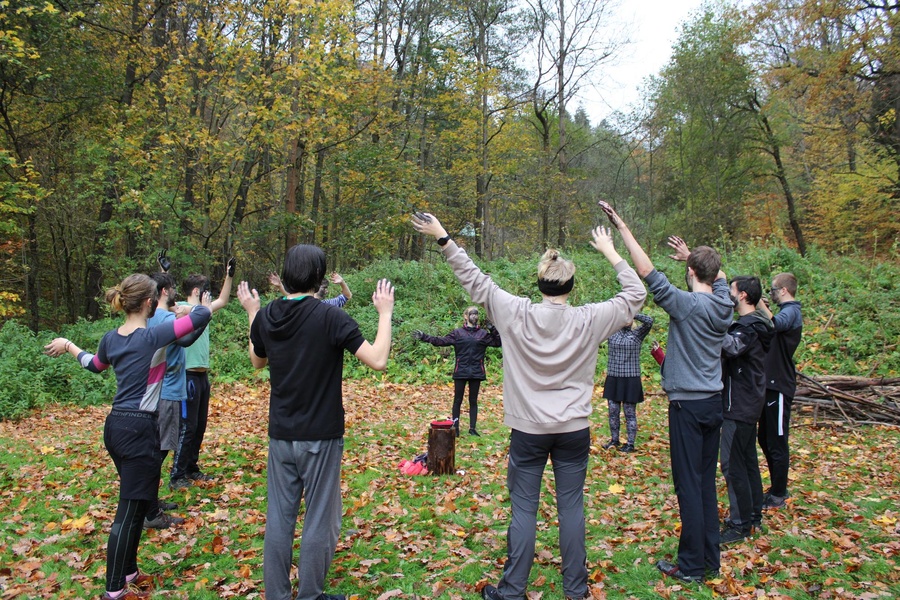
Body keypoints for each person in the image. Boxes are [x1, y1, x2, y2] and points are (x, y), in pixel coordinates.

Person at [412, 212, 645, 600]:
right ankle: (575, 590)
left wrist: (443, 238)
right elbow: (636, 295)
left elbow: (474, 279)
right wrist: (610, 251)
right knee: (571, 509)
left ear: (539, 283)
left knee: (524, 510)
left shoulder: (515, 311)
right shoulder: (590, 318)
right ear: (572, 285)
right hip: (573, 430)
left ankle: (512, 591)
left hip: (529, 433)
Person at [236, 245, 395, 600]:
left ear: (287, 274)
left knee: (280, 517)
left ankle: (277, 595)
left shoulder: (268, 316)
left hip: (281, 436)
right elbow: (378, 359)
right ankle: (310, 594)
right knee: (320, 518)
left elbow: (256, 361)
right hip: (320, 436)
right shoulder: (329, 317)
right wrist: (385, 312)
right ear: (319, 277)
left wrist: (253, 313)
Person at [44, 274, 211, 600]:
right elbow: (202, 315)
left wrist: (68, 346)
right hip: (139, 430)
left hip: (116, 427)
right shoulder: (154, 336)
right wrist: (181, 312)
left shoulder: (111, 338)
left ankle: (130, 571)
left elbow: (93, 365)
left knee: (137, 507)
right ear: (150, 303)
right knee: (127, 511)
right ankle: (114, 590)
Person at [599, 203, 732, 584]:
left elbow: (646, 272)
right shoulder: (724, 300)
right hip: (712, 404)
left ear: (690, 272)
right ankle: (710, 559)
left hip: (689, 408)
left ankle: (691, 566)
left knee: (688, 486)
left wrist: (622, 225)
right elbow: (716, 273)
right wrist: (696, 258)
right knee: (706, 484)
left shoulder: (688, 304)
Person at [144, 272, 208, 529]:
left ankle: (151, 503)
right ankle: (149, 511)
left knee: (156, 450)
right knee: (158, 452)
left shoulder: (150, 317)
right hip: (168, 391)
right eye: (171, 289)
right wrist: (203, 315)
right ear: (164, 292)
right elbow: (187, 340)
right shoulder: (166, 318)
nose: (174, 293)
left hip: (157, 390)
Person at [718, 276, 774, 545]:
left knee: (732, 463)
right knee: (748, 460)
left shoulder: (749, 328)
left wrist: (710, 325)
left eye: (731, 289)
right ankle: (752, 515)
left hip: (739, 405)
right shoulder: (756, 324)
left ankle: (739, 524)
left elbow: (729, 347)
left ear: (741, 296)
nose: (729, 293)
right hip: (749, 402)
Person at [170, 258, 235, 489]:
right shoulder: (178, 308)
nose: (210, 296)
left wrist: (229, 276)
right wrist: (163, 273)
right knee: (187, 427)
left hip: (202, 376)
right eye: (206, 291)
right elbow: (164, 304)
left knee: (199, 426)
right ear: (197, 291)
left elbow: (223, 300)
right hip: (186, 377)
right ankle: (177, 475)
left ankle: (191, 468)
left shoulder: (202, 310)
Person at [413, 306, 501, 436]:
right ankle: (456, 427)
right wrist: (424, 337)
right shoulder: (458, 333)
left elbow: (498, 342)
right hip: (461, 371)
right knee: (457, 400)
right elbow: (441, 341)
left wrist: (492, 329)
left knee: (473, 400)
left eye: (476, 314)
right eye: (472, 314)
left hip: (476, 371)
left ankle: (472, 429)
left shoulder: (482, 334)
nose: (475, 316)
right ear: (465, 316)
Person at [756, 272, 803, 510]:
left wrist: (758, 303)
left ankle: (779, 494)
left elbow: (776, 323)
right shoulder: (786, 310)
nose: (771, 294)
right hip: (769, 385)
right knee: (764, 437)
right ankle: (777, 488)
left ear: (784, 290)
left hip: (779, 387)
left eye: (773, 290)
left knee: (777, 440)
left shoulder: (792, 311)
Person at [601, 313, 653, 452]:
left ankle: (630, 444)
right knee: (613, 411)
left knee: (630, 413)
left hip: (630, 378)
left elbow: (649, 321)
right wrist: (618, 314)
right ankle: (614, 440)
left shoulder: (637, 335)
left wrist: (632, 313)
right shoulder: (612, 333)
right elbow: (602, 320)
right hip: (613, 377)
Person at [269, 271, 353, 307]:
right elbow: (290, 297)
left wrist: (342, 282)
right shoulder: (301, 304)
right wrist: (280, 286)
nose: (326, 291)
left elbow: (347, 296)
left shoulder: (327, 304)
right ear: (315, 287)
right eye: (324, 288)